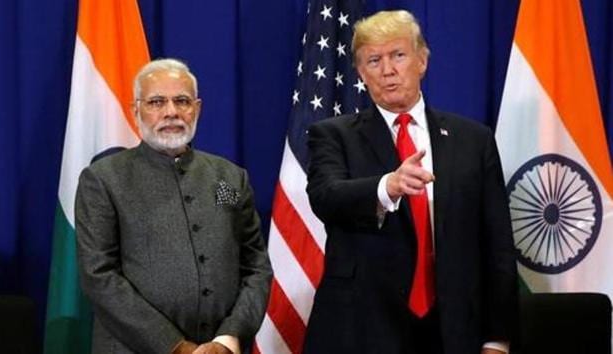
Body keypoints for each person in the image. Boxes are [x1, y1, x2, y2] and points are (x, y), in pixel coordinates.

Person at [303, 10, 518, 354]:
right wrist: (387, 186)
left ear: (422, 60)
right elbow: (325, 196)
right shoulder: (333, 135)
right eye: (373, 60)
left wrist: (497, 338)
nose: (387, 70)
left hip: (453, 327)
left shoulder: (472, 139)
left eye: (398, 55)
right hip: (362, 329)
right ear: (360, 72)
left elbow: (497, 244)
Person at [75, 58, 272, 354]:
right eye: (156, 102)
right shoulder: (104, 179)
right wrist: (175, 346)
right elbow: (99, 275)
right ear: (136, 110)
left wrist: (228, 340)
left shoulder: (230, 177)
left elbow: (256, 266)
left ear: (197, 108)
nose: (171, 112)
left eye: (182, 101)